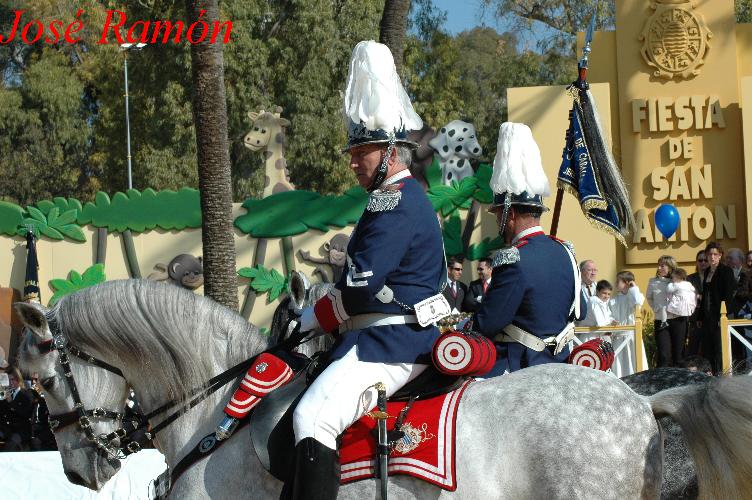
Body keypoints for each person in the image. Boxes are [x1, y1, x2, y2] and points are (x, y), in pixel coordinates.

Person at [291, 41, 444, 500]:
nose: (354, 161)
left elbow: (360, 287)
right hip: (384, 335)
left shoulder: (393, 200)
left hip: (388, 342)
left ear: (393, 152)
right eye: (353, 152)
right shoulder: (398, 199)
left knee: (311, 418)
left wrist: (313, 316)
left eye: (364, 152)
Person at [472, 122, 585, 376]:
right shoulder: (566, 252)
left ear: (510, 214)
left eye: (498, 213)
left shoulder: (513, 259)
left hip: (519, 372)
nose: (496, 219)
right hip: (563, 368)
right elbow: (581, 311)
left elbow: (487, 323)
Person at [699, 241, 735, 373]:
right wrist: (700, 316)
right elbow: (705, 295)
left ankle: (721, 375)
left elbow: (728, 295)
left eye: (715, 254)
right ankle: (711, 375)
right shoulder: (707, 271)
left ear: (720, 256)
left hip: (720, 316)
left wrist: (723, 316)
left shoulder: (726, 271)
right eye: (709, 254)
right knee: (708, 347)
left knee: (719, 348)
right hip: (708, 316)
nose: (712, 257)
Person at [609, 271, 646, 377]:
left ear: (626, 282)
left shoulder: (635, 296)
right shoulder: (614, 299)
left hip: (632, 337)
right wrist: (611, 320)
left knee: (635, 363)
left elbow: (638, 301)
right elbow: (609, 313)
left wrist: (633, 287)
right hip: (618, 337)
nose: (615, 283)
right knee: (619, 365)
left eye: (618, 281)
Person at [647, 255, 677, 367]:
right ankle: (662, 380)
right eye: (658, 265)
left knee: (677, 354)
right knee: (664, 354)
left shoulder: (677, 281)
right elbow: (649, 297)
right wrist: (656, 308)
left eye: (662, 266)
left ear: (670, 267)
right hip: (661, 320)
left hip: (677, 320)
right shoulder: (653, 281)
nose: (659, 268)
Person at [664, 268, 696, 367]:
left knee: (677, 345)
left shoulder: (674, 285)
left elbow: (668, 289)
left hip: (676, 311)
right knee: (680, 344)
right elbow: (693, 290)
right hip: (685, 312)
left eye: (673, 277)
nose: (672, 279)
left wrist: (670, 284)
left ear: (677, 277)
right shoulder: (688, 285)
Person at [0, 366, 34, 451]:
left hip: (21, 430)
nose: (10, 383)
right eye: (8, 380)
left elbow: (26, 414)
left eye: (12, 379)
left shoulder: (27, 394)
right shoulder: (5, 393)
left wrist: (11, 402)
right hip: (6, 429)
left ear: (18, 379)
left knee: (12, 443)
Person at [686, 250, 708, 356]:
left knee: (709, 349)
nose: (703, 262)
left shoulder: (714, 277)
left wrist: (700, 297)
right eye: (700, 260)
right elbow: (686, 297)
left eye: (705, 260)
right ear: (696, 262)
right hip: (695, 319)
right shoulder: (689, 278)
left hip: (710, 318)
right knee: (693, 349)